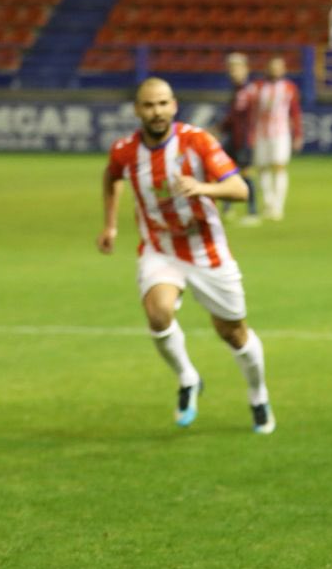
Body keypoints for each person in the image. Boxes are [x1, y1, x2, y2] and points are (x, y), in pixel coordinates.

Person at [96, 77, 276, 434]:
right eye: (149, 105)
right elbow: (111, 176)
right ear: (137, 110)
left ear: (174, 105)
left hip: (205, 249)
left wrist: (203, 187)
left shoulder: (197, 141)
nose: (157, 111)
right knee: (157, 312)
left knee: (233, 332)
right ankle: (188, 377)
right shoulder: (125, 150)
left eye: (163, 103)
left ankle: (258, 395)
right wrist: (111, 225)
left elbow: (240, 189)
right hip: (159, 248)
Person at [253, 56, 303, 221]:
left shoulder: (289, 88)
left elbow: (295, 112)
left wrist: (298, 134)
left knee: (279, 167)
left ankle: (278, 206)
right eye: (272, 67)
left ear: (283, 69)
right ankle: (268, 203)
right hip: (261, 133)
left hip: (280, 133)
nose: (275, 70)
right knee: (262, 168)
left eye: (278, 67)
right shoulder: (258, 87)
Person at [219, 52, 261, 226]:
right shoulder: (237, 90)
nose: (233, 71)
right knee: (225, 172)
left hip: (244, 140)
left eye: (236, 68)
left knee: (245, 174)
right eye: (231, 68)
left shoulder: (247, 91)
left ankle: (253, 212)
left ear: (245, 69)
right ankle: (227, 208)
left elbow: (239, 119)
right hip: (233, 138)